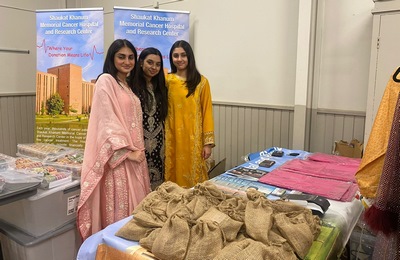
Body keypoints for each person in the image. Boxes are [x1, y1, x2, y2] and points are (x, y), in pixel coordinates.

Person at [77, 39, 151, 241]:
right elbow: (106, 122)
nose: (127, 61)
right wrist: (126, 152)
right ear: (112, 58)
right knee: (122, 210)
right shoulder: (106, 81)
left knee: (136, 210)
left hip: (136, 157)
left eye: (130, 57)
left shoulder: (126, 84)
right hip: (120, 158)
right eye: (121, 57)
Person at [164, 40, 215, 188]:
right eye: (175, 56)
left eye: (183, 55)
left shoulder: (202, 82)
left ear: (189, 57)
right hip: (172, 137)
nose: (179, 59)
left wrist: (208, 143)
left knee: (195, 177)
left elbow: (207, 112)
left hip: (194, 139)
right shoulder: (168, 81)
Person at [133, 47, 168, 190]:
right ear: (141, 63)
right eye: (150, 62)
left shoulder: (160, 87)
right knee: (139, 181)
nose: (154, 67)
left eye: (158, 64)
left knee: (158, 178)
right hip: (138, 140)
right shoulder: (131, 85)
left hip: (159, 141)